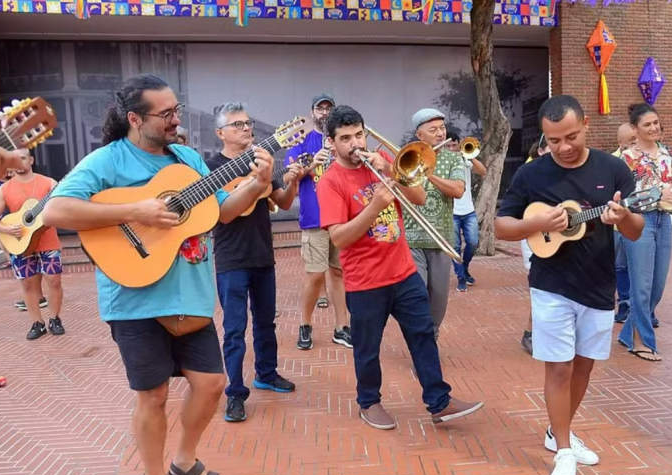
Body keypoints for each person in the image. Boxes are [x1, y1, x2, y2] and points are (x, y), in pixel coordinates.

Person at [43, 74, 277, 475]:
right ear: (135, 118)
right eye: (165, 113)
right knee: (153, 396)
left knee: (210, 386)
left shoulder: (187, 158)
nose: (175, 120)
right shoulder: (109, 160)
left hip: (191, 297)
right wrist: (138, 211)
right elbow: (55, 209)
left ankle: (184, 462)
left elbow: (222, 212)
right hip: (134, 297)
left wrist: (258, 184)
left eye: (177, 110)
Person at [495, 95, 643, 475]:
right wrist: (539, 220)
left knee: (583, 368)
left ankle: (556, 429)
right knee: (558, 368)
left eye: (571, 137)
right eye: (553, 140)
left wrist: (625, 215)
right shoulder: (531, 175)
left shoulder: (612, 169)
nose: (563, 147)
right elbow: (501, 227)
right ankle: (563, 452)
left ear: (586, 126)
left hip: (597, 284)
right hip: (551, 285)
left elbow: (635, 230)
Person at [316, 105, 484, 430]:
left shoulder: (381, 162)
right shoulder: (331, 182)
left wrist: (391, 170)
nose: (355, 144)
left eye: (359, 134)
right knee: (368, 348)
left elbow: (419, 197)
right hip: (365, 281)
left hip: (403, 272)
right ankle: (369, 402)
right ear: (333, 143)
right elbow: (339, 237)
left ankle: (439, 401)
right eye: (346, 138)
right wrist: (375, 206)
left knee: (423, 335)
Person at [207, 102, 300, 423]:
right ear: (220, 133)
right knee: (234, 329)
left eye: (248, 123)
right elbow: (225, 212)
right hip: (231, 258)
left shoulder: (263, 159)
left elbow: (283, 201)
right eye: (237, 124)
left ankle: (267, 374)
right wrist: (254, 184)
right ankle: (235, 393)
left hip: (262, 253)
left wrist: (294, 181)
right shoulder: (211, 168)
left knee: (265, 322)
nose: (246, 128)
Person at [285, 94, 351, 350]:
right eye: (320, 108)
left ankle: (341, 327)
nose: (324, 113)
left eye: (328, 109)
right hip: (314, 220)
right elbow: (292, 176)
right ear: (312, 112)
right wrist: (314, 162)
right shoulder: (302, 142)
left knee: (339, 273)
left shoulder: (342, 142)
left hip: (342, 220)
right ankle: (305, 324)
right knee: (314, 276)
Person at [617, 103, 672, 362]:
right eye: (647, 124)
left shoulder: (667, 154)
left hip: (665, 220)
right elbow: (623, 198)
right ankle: (642, 341)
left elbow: (670, 184)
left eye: (656, 122)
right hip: (639, 221)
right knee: (641, 285)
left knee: (658, 285)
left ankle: (627, 333)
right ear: (634, 128)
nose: (653, 128)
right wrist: (657, 193)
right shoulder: (625, 158)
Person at [0, 149, 65, 340]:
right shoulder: (4, 189)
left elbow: (63, 205)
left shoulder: (49, 183)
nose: (19, 162)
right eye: (15, 159)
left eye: (23, 158)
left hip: (47, 241)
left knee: (54, 281)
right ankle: (37, 323)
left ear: (31, 160)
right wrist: (5, 230)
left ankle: (54, 318)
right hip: (19, 242)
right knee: (28, 284)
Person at [404, 108, 465, 340]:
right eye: (433, 130)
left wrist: (428, 174)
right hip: (411, 239)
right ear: (420, 135)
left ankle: (432, 335)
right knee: (416, 293)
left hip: (441, 239)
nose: (441, 133)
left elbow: (458, 190)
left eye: (442, 128)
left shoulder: (453, 157)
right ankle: (420, 342)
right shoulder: (407, 155)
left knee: (438, 296)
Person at [519, 136, 550, 356]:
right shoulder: (529, 173)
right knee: (539, 285)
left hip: (559, 237)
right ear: (540, 151)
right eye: (553, 144)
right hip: (535, 237)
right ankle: (529, 333)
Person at [446, 130, 486, 293]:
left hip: (468, 211)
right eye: (447, 146)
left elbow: (483, 171)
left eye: (454, 145)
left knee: (473, 242)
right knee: (455, 247)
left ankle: (465, 267)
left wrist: (468, 155)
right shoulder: (442, 162)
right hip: (452, 212)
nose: (451, 149)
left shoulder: (465, 160)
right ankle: (461, 277)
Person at [613, 123, 637, 323]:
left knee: (637, 265)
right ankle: (624, 302)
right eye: (630, 141)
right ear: (619, 142)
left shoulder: (645, 159)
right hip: (614, 226)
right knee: (620, 265)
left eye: (635, 140)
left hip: (637, 222)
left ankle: (643, 308)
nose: (634, 144)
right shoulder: (611, 162)